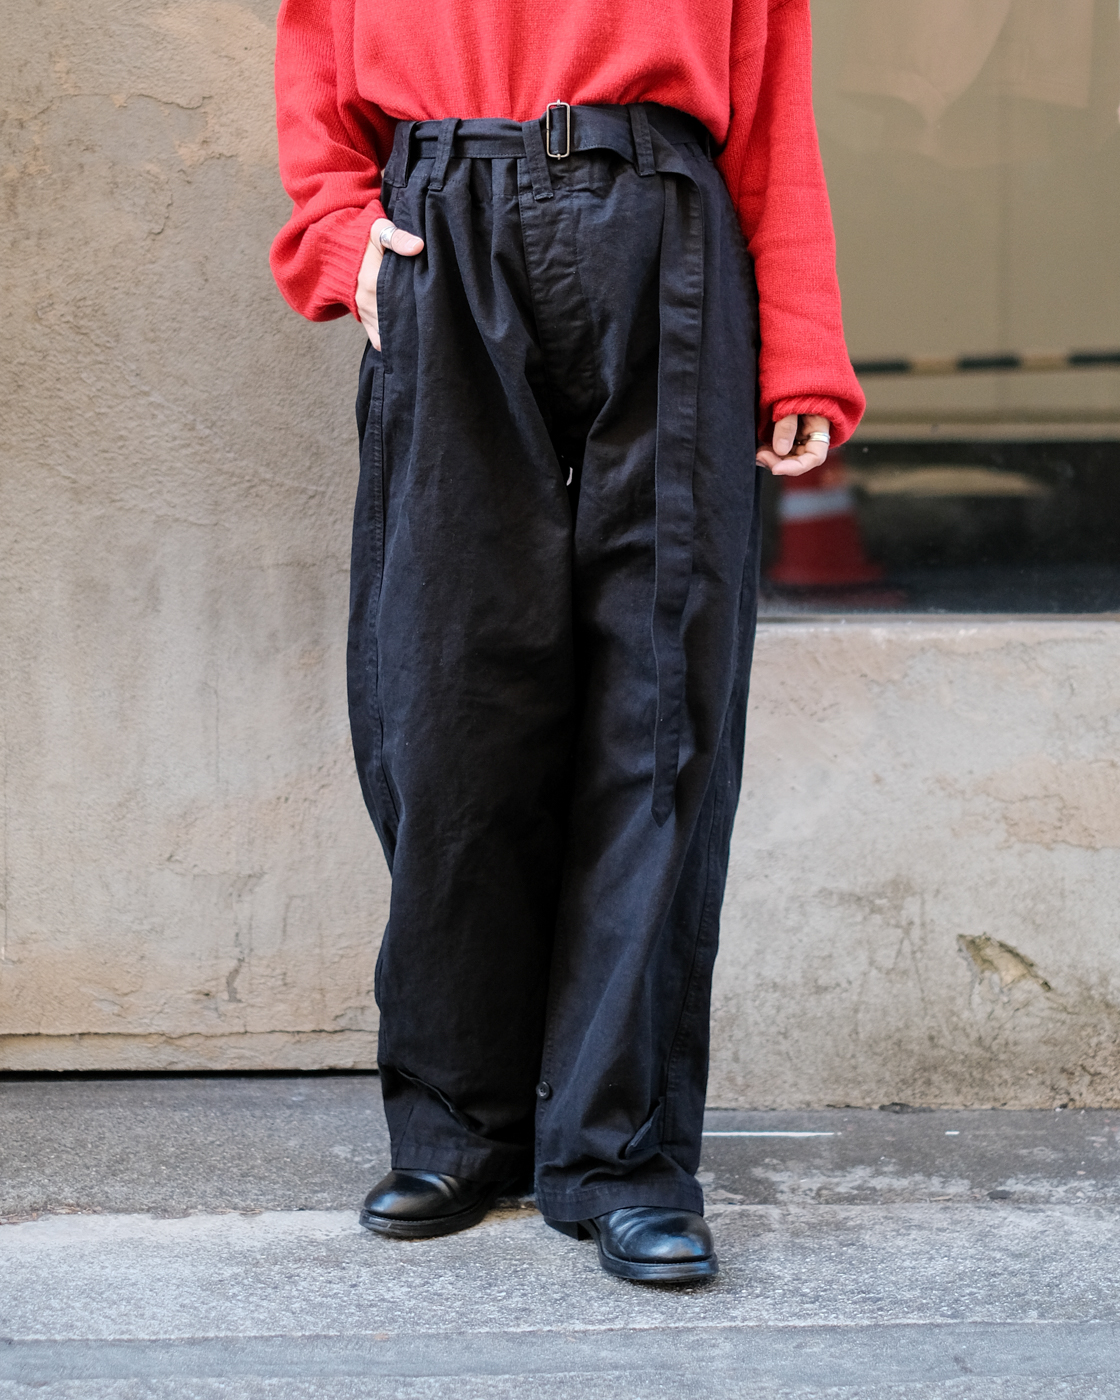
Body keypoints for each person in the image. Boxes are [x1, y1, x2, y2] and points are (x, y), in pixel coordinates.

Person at [271, 0, 864, 1284]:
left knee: (660, 705)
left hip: (662, 220)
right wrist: (336, 229)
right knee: (447, 699)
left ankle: (621, 1154)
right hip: (443, 221)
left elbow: (770, 106)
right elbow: (317, 51)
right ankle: (460, 1123)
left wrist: (801, 341)